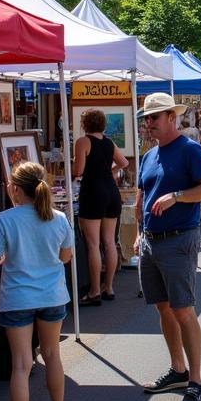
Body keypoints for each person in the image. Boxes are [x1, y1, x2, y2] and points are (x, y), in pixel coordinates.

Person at [0, 161, 77, 401]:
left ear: (14, 188)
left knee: (21, 365)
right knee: (52, 356)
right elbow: (65, 257)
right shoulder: (60, 218)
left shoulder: (4, 219)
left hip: (17, 298)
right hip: (51, 295)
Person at [133, 92, 201, 401]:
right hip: (151, 241)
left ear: (173, 117)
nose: (149, 123)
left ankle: (196, 382)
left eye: (154, 117)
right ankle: (178, 371)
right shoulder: (149, 155)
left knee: (183, 310)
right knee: (163, 309)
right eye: (146, 118)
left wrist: (178, 196)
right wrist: (140, 232)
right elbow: (143, 195)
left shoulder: (189, 149)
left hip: (179, 239)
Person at [72, 108, 129, 307]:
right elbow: (123, 163)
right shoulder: (108, 142)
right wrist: (108, 170)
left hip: (93, 192)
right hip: (111, 191)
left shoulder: (83, 142)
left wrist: (75, 166)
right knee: (109, 242)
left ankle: (95, 290)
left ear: (84, 124)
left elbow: (78, 171)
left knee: (94, 244)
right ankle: (109, 287)